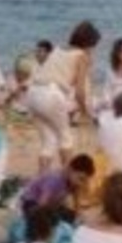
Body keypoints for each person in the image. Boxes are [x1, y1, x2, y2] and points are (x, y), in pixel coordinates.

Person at [24, 21, 101, 171]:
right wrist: (85, 112)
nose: (93, 49)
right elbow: (79, 92)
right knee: (66, 138)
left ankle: (42, 179)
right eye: (93, 46)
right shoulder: (82, 56)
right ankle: (68, 180)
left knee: (48, 141)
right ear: (89, 43)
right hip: (51, 94)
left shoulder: (58, 49)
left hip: (33, 94)